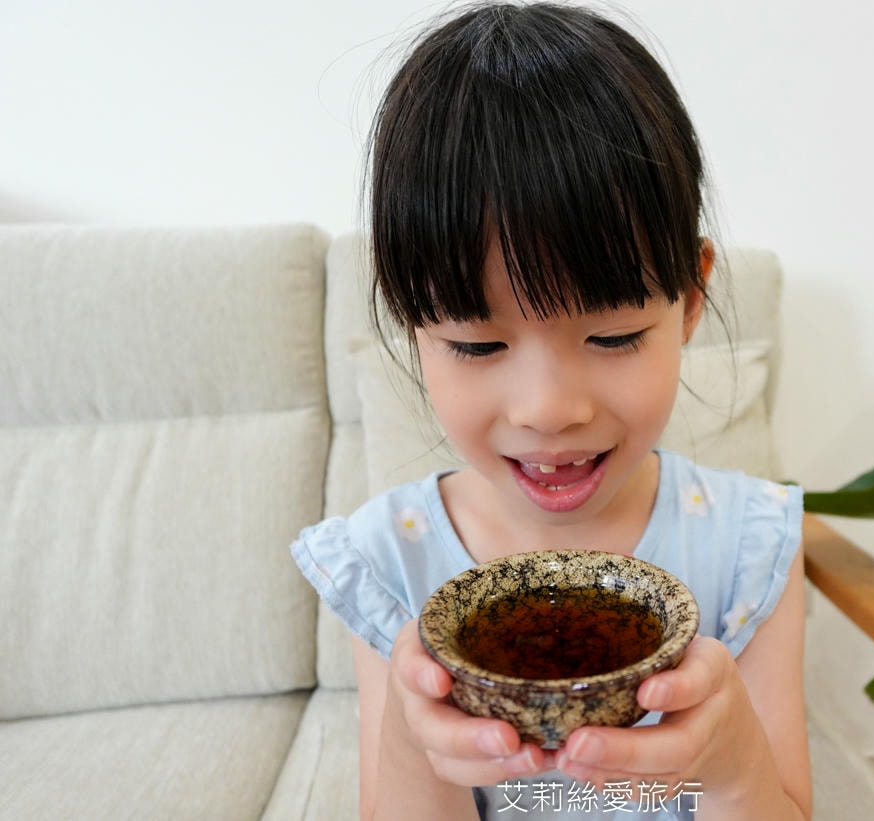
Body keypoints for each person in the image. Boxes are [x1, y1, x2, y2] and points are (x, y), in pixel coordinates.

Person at [291, 3, 811, 818]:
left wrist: (732, 757)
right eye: (476, 345)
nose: (548, 410)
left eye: (612, 334)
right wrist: (412, 734)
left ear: (690, 300)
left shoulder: (747, 548)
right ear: (411, 325)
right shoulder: (392, 564)